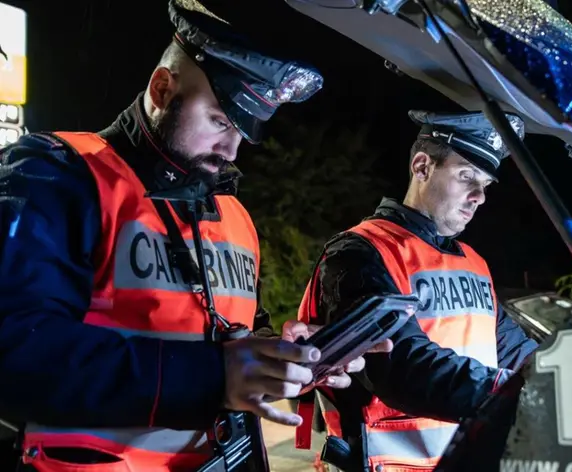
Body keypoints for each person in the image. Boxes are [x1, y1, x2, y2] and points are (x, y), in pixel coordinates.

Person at [0, 2, 390, 471]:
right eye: (220, 121)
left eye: (242, 131)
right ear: (162, 89)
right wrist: (216, 375)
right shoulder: (58, 175)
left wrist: (283, 356)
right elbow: (15, 349)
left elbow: (228, 333)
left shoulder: (234, 215)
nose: (232, 149)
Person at [296, 110, 540, 471]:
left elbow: (514, 350)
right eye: (466, 176)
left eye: (485, 184)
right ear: (422, 166)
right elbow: (402, 366)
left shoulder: (473, 263)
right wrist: (514, 394)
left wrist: (568, 376)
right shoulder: (359, 252)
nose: (479, 196)